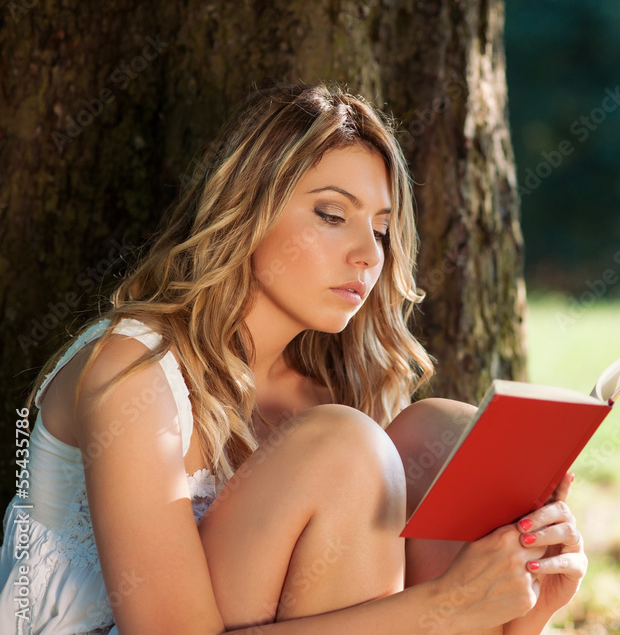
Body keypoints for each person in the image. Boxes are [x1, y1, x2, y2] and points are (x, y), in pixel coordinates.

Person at [0, 82, 587, 635]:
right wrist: (443, 608)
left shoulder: (341, 386)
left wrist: (526, 608)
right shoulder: (133, 369)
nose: (367, 255)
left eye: (382, 230)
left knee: (446, 434)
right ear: (246, 208)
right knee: (342, 448)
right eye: (333, 215)